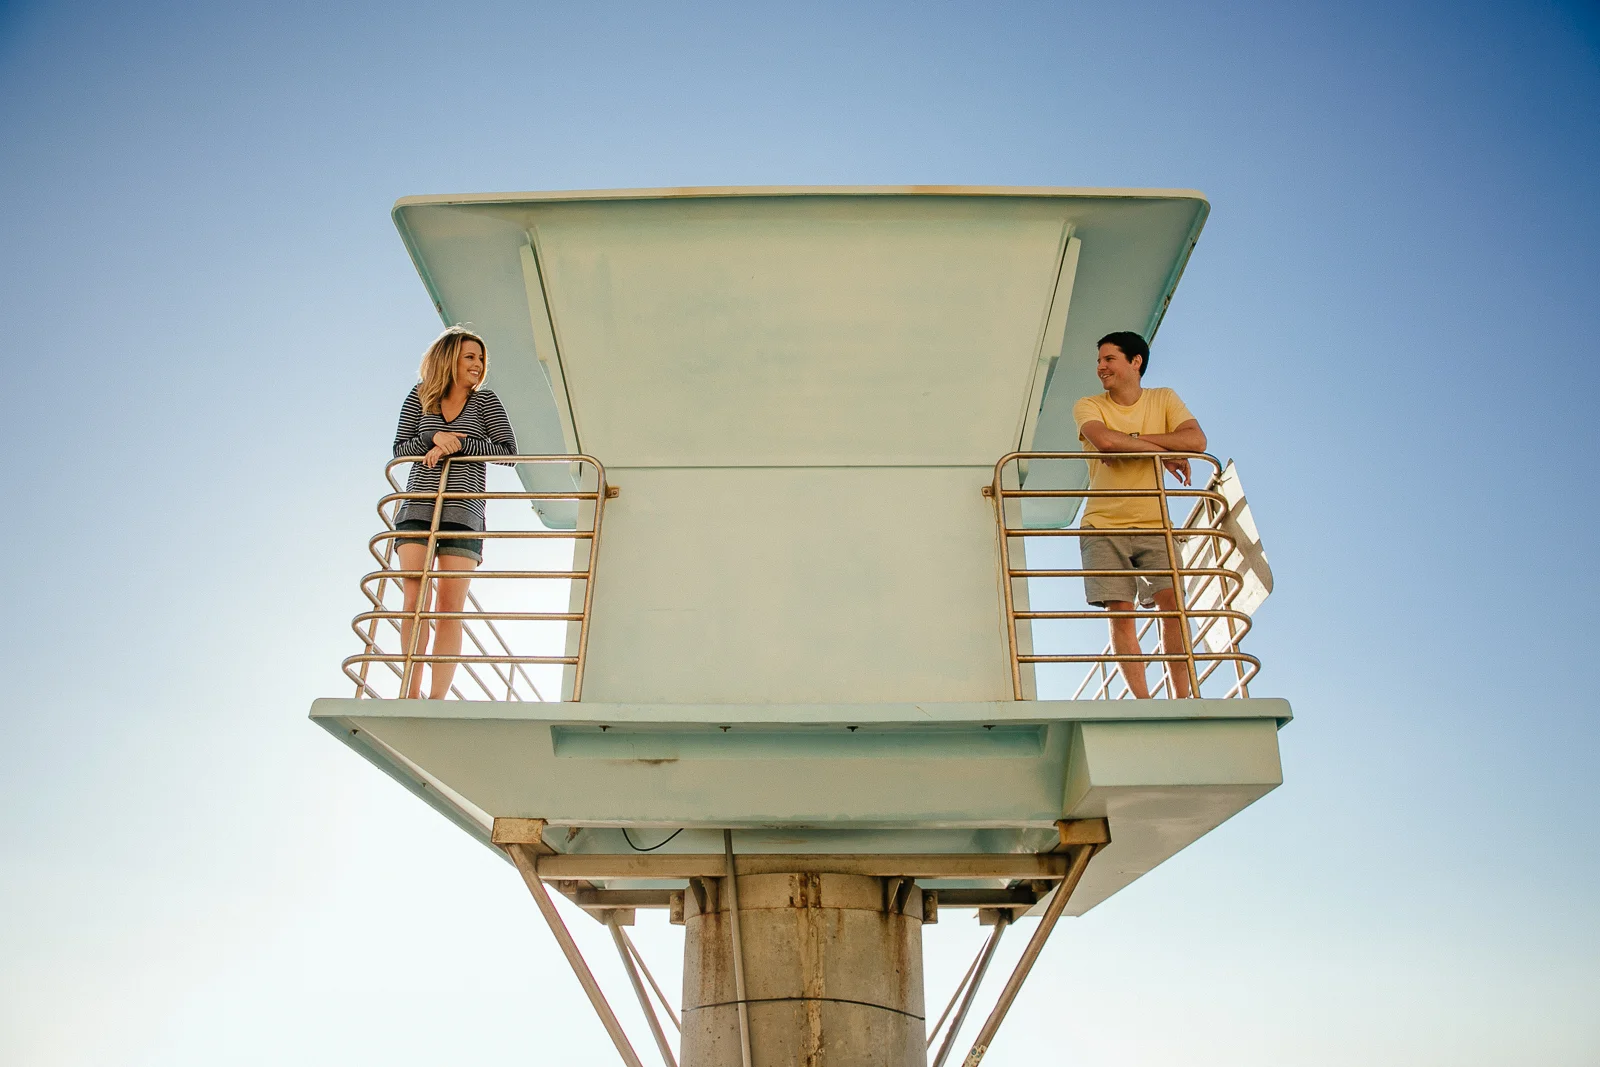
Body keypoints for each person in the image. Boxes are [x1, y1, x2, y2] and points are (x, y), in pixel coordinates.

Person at [1072, 331, 1206, 699]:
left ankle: (1183, 699)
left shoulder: (1164, 398)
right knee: (1121, 612)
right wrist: (1161, 447)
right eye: (1099, 360)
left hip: (1156, 525)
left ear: (1136, 362)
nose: (1100, 366)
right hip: (1103, 525)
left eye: (1109, 359)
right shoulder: (1088, 404)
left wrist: (1133, 443)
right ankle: (1144, 702)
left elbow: (1196, 442)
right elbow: (1107, 442)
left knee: (1173, 608)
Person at [391, 326, 517, 699]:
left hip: (464, 511)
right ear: (449, 359)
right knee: (414, 601)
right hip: (417, 506)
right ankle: (410, 693)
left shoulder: (486, 402)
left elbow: (508, 453)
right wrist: (433, 438)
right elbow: (400, 449)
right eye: (470, 357)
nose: (478, 365)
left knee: (449, 606)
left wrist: (458, 442)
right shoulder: (420, 398)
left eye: (480, 359)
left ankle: (436, 698)